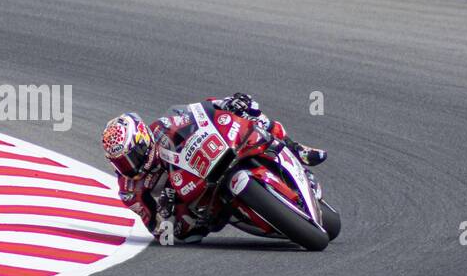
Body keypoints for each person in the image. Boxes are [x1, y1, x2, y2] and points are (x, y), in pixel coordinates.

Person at [101, 93, 326, 242]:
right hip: (193, 212)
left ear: (144, 138)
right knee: (186, 234)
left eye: (133, 156)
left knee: (249, 114)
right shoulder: (130, 190)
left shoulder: (161, 127)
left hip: (208, 163)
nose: (131, 165)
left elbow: (198, 112)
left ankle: (296, 149)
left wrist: (226, 103)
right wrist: (164, 211)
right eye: (122, 162)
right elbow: (158, 231)